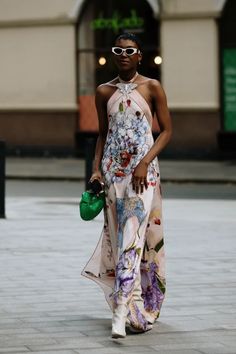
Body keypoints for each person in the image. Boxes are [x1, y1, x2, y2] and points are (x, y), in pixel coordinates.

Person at [82, 32, 172, 338]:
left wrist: (145, 162)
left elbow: (167, 132)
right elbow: (103, 135)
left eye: (129, 50)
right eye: (118, 50)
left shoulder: (152, 87)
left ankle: (121, 311)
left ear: (139, 55)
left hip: (143, 177)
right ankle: (128, 304)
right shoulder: (103, 91)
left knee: (133, 240)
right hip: (113, 176)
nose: (123, 54)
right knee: (121, 241)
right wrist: (96, 170)